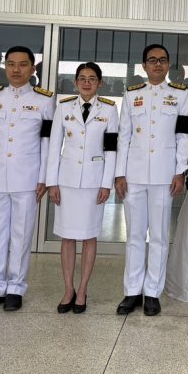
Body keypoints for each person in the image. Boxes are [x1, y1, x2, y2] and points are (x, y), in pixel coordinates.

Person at [0, 46, 54, 312]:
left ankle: (16, 288)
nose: (16, 70)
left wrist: (43, 177)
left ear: (32, 68)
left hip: (27, 178)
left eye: (22, 64)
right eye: (11, 64)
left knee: (21, 235)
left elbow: (47, 143)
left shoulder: (45, 100)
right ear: (5, 67)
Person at [115, 45, 188, 317]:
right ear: (144, 65)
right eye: (152, 60)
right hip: (134, 175)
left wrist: (180, 171)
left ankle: (153, 293)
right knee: (135, 235)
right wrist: (119, 173)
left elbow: (184, 135)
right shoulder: (132, 94)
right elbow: (123, 136)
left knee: (159, 236)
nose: (157, 64)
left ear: (168, 65)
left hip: (164, 174)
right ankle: (132, 291)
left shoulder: (181, 95)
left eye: (162, 60)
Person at [45, 63, 117, 314]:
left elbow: (112, 149)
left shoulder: (109, 109)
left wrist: (106, 183)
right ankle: (68, 289)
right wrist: (52, 182)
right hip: (67, 181)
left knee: (89, 236)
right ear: (75, 82)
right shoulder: (64, 107)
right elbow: (54, 146)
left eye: (92, 78)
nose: (87, 83)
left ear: (100, 83)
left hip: (94, 183)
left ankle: (83, 289)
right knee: (67, 237)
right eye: (82, 78)